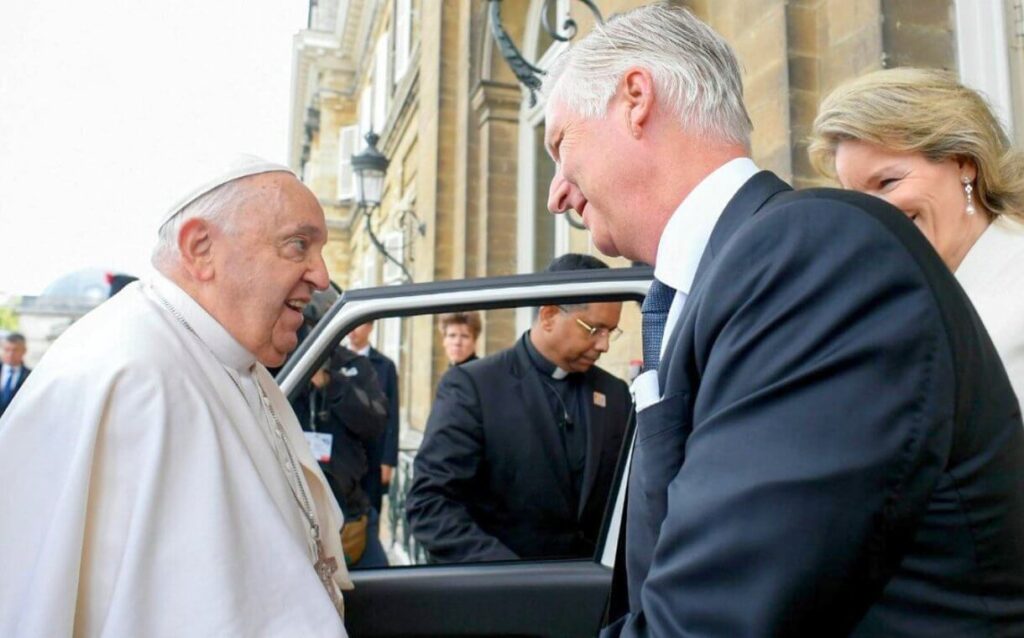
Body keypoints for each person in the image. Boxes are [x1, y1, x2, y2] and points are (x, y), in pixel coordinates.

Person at [544, 5, 1024, 636]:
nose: (556, 192)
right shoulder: (730, 276)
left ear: (636, 98)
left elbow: (712, 619)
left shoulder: (811, 255)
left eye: (560, 146)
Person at [0, 156, 352, 637]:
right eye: (298, 245)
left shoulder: (228, 359)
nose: (321, 275)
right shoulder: (130, 373)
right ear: (200, 248)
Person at [809, 67, 1024, 401]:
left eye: (887, 183)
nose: (871, 213)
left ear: (963, 162)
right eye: (856, 197)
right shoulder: (884, 309)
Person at [407, 254, 631, 563]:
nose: (604, 345)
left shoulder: (614, 394)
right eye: (594, 329)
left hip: (595, 593)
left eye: (611, 331)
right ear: (549, 315)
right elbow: (430, 504)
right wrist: (509, 573)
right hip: (507, 595)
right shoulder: (474, 387)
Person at [292, 344, 389, 568]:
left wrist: (331, 383)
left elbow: (375, 422)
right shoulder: (280, 362)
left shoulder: (354, 365)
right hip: (296, 512)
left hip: (350, 510)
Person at [346, 321, 400, 512]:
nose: (352, 330)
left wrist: (388, 460)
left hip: (374, 457)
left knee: (370, 515)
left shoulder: (385, 366)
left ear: (370, 327)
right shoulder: (335, 362)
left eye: (358, 324)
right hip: (343, 455)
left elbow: (392, 415)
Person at [0, 333, 30, 418]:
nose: (10, 354)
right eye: (7, 350)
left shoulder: (30, 377)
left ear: (24, 351)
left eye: (15, 350)